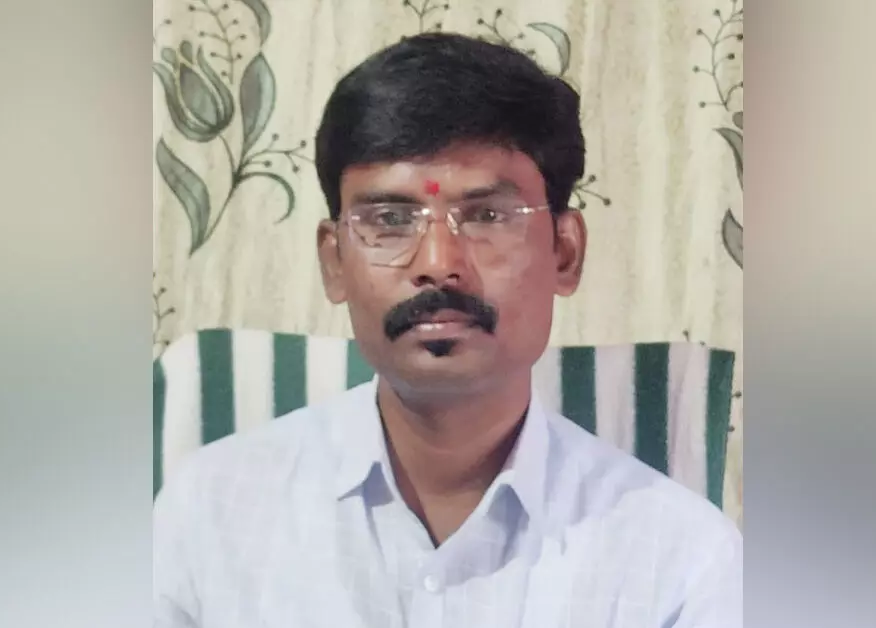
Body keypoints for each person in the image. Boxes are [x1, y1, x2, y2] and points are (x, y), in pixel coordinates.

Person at [154, 33, 742, 627]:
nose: (438, 262)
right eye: (390, 218)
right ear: (334, 263)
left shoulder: (681, 562)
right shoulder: (211, 513)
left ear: (564, 254)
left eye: (487, 216)